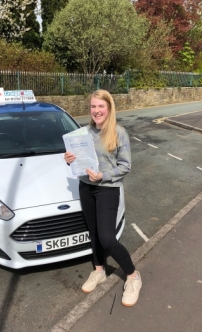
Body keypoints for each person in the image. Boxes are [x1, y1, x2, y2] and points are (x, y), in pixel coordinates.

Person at [64, 89, 142, 307]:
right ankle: (99, 270)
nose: (96, 110)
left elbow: (125, 166)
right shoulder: (82, 133)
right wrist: (69, 159)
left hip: (107, 188)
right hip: (86, 187)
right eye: (93, 106)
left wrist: (103, 176)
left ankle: (133, 276)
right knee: (94, 232)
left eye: (101, 106)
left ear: (109, 108)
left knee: (107, 238)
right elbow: (77, 162)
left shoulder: (119, 133)